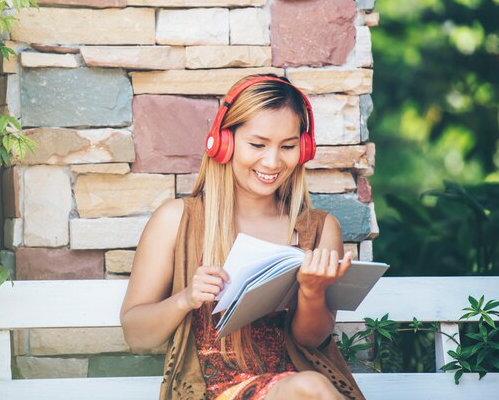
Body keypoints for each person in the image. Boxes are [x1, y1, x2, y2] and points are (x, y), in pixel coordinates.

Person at [121, 74, 365, 400]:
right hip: (211, 391)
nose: (273, 161)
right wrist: (186, 299)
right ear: (224, 143)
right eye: (258, 144)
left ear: (304, 149)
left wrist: (311, 292)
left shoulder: (320, 229)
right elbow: (135, 334)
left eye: (289, 146)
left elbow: (311, 340)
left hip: (296, 387)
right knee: (312, 390)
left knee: (310, 387)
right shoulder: (177, 220)